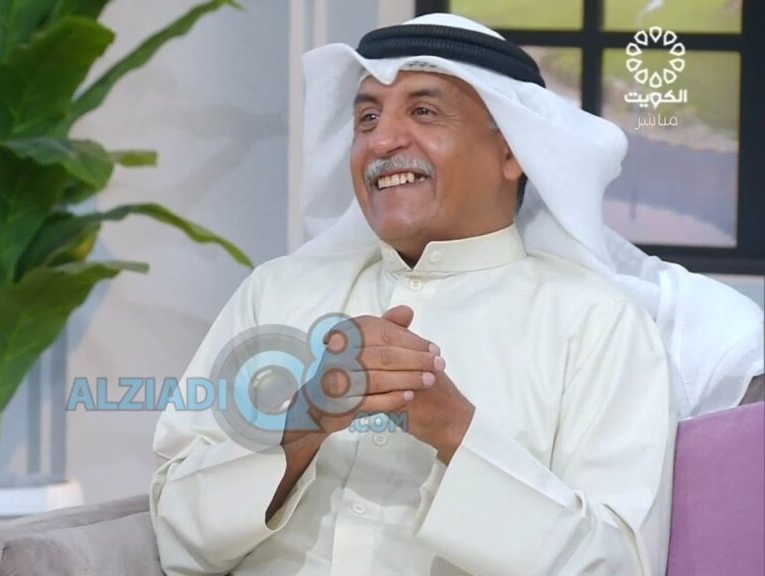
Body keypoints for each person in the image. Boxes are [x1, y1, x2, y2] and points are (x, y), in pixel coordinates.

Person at [149, 13, 765, 576]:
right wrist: (302, 425)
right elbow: (175, 532)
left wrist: (455, 432)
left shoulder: (597, 323)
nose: (381, 141)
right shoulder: (276, 291)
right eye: (367, 118)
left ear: (512, 152)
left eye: (423, 111)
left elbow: (617, 565)